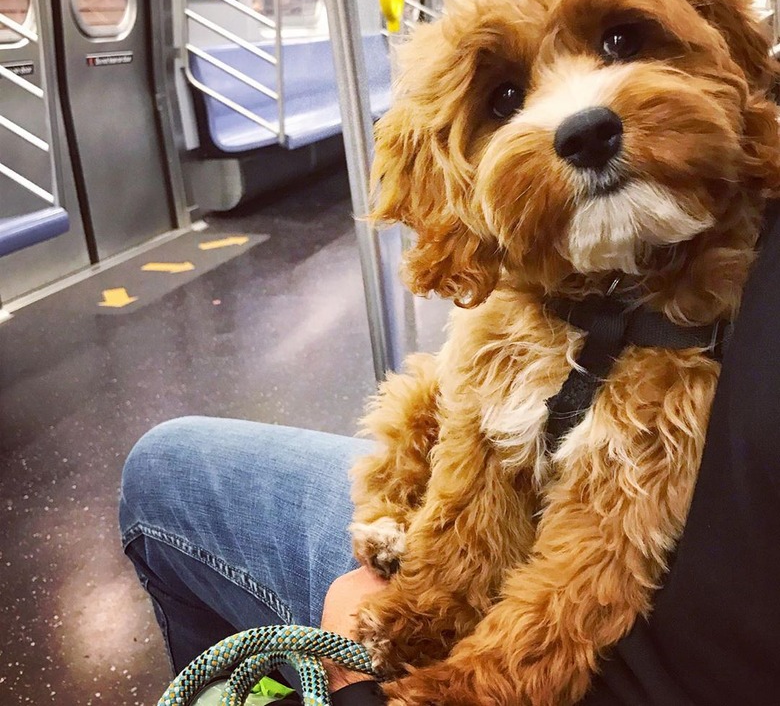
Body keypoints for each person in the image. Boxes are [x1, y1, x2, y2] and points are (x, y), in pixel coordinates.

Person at [120, 209, 780, 706]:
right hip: (493, 542)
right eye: (505, 99)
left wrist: (357, 688)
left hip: (613, 651)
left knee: (163, 478)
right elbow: (468, 433)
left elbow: (603, 575)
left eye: (621, 44)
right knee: (428, 408)